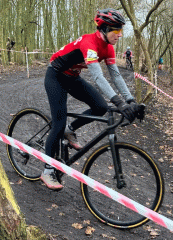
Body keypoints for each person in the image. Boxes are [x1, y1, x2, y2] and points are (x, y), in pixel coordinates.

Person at [41, 8, 138, 190]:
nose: (120, 35)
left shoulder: (108, 47)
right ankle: (47, 170)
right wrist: (118, 102)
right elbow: (98, 77)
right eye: (116, 31)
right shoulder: (89, 43)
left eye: (121, 31)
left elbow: (116, 76)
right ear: (105, 28)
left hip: (72, 77)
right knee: (58, 123)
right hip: (55, 76)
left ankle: (71, 129)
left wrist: (130, 100)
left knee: (100, 107)